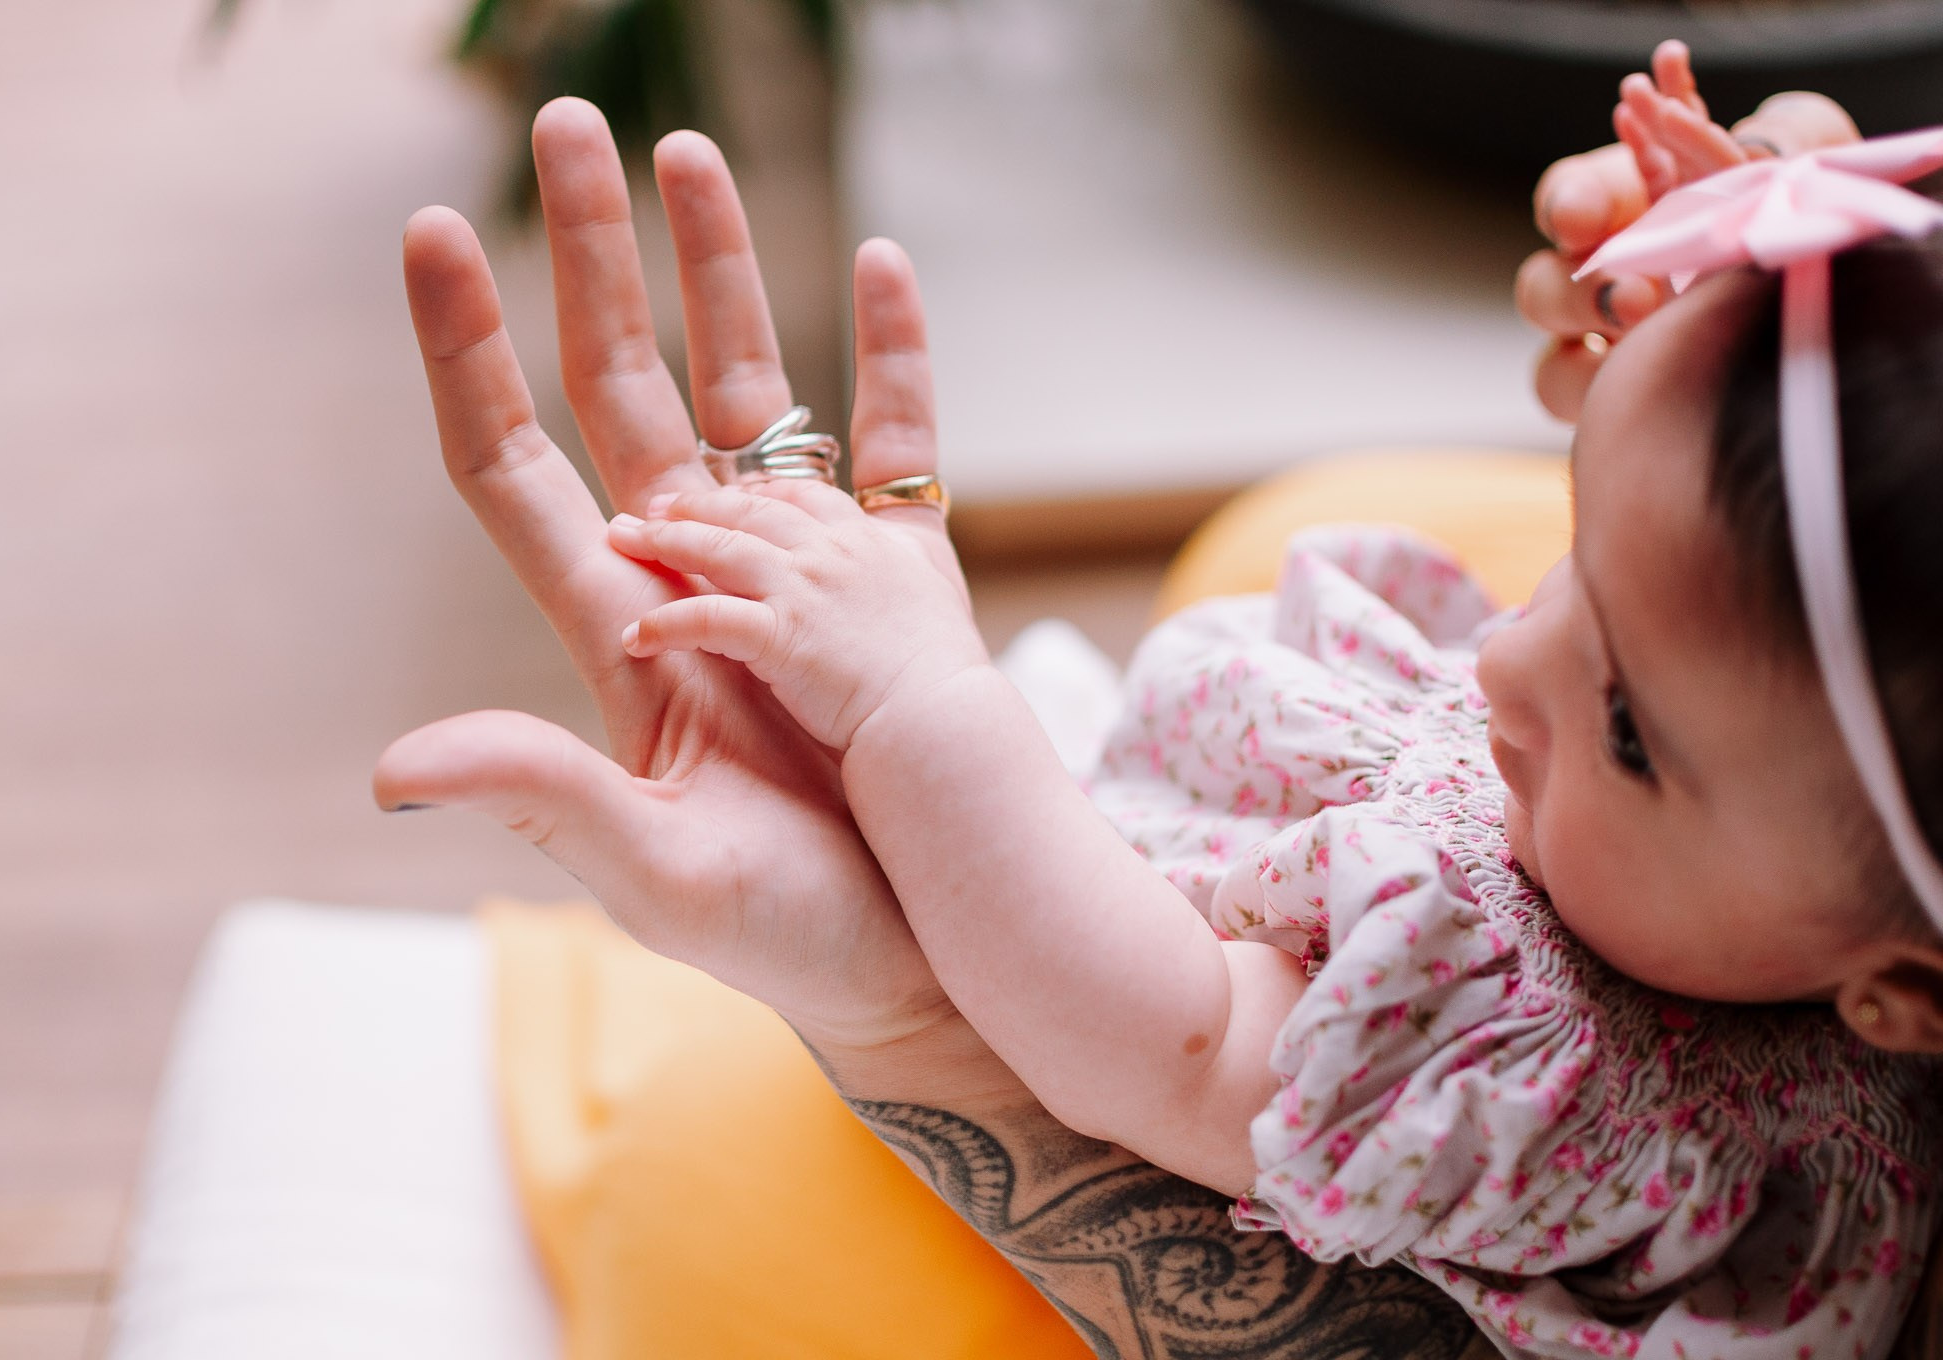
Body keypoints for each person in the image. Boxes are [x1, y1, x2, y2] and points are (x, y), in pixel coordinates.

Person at [599, 46, 1943, 1356]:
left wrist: (922, 696)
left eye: (1630, 731)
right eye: (1574, 550)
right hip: (1242, 848)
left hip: (1066, 1022)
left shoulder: (1575, 1106)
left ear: (1899, 993)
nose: (1507, 659)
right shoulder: (1747, 851)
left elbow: (1167, 1041)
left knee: (703, 1189)